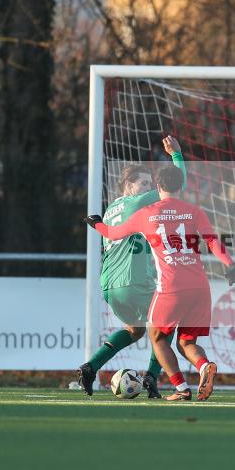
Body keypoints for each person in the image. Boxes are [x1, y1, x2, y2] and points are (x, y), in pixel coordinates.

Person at [85, 165, 235, 401]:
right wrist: (229, 264)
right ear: (180, 186)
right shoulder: (194, 211)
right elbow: (211, 240)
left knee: (157, 336)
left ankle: (180, 388)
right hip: (200, 288)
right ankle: (204, 365)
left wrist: (95, 223)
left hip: (169, 287)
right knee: (186, 342)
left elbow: (113, 234)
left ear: (158, 187)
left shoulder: (147, 213)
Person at [77, 135, 185, 398]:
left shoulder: (112, 208)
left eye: (150, 183)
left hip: (110, 286)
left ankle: (90, 368)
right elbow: (176, 182)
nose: (149, 187)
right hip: (133, 282)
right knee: (166, 325)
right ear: (128, 185)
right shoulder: (136, 203)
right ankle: (151, 378)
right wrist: (177, 156)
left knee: (135, 330)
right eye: (144, 183)